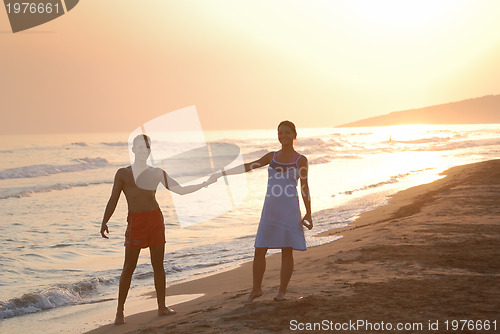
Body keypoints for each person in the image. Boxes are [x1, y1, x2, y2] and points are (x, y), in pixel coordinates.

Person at [100, 134, 216, 325]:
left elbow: (179, 189)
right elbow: (113, 199)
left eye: (146, 148)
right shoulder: (123, 173)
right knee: (129, 267)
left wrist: (204, 184)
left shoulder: (156, 173)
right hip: (136, 222)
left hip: (155, 220)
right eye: (138, 147)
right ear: (133, 149)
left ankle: (162, 306)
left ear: (149, 151)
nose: (142, 151)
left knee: (158, 265)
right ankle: (119, 312)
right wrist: (105, 221)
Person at [212, 120, 313, 303]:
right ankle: (256, 289)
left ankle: (281, 292)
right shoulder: (271, 157)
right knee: (260, 248)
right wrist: (226, 172)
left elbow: (305, 188)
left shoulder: (301, 160)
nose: (283, 136)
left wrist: (309, 213)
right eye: (279, 133)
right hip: (270, 210)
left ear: (294, 135)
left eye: (286, 132)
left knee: (286, 250)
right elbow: (250, 165)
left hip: (290, 210)